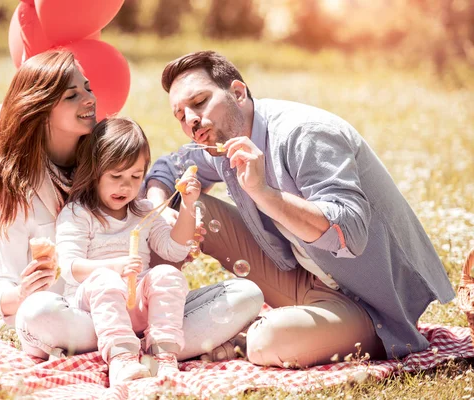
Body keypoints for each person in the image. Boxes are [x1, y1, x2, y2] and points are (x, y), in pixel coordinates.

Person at [145, 50, 456, 368]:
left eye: (199, 102)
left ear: (238, 93)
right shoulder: (222, 142)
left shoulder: (304, 134)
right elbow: (169, 167)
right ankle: (137, 319)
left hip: (369, 306)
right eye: (181, 116)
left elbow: (349, 230)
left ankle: (251, 334)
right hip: (303, 278)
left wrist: (264, 193)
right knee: (187, 207)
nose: (191, 120)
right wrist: (161, 208)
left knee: (267, 342)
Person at [0, 50, 263, 362]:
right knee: (36, 312)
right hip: (76, 316)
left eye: (87, 88)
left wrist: (170, 224)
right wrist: (21, 294)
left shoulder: (106, 158)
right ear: (40, 107)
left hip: (137, 309)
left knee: (245, 295)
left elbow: (144, 239)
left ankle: (147, 344)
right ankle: (164, 346)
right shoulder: (17, 191)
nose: (90, 99)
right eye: (73, 95)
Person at [55, 117, 199, 383]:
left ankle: (163, 356)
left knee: (166, 273)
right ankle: (121, 359)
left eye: (135, 176)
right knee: (105, 279)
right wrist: (115, 267)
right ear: (94, 171)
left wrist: (188, 207)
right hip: (91, 307)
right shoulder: (78, 214)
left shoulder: (143, 211)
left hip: (136, 306)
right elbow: (69, 268)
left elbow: (175, 250)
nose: (125, 186)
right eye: (116, 176)